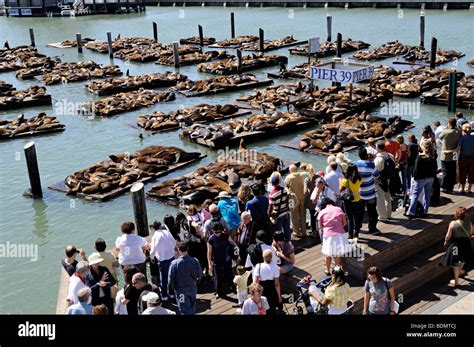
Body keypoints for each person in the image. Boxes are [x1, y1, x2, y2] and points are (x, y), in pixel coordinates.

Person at [440, 207, 473, 288]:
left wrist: (445, 241)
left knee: (455, 261)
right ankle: (460, 272)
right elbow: (471, 232)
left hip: (456, 245)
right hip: (466, 243)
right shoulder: (468, 223)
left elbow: (448, 235)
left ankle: (456, 281)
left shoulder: (453, 223)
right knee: (463, 259)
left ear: (457, 214)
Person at [168, 241, 203, 315]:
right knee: (192, 306)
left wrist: (173, 287)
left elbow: (170, 279)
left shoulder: (174, 263)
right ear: (187, 248)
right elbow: (200, 274)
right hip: (192, 287)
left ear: (178, 249)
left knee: (184, 309)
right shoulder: (195, 260)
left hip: (181, 289)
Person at [407, 141, 437, 220]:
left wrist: (414, 178)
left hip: (420, 179)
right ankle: (425, 211)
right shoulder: (433, 156)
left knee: (415, 195)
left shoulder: (420, 157)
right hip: (430, 178)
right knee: (427, 195)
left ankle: (411, 212)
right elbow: (435, 168)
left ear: (423, 147)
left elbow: (416, 170)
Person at [318, 198, 348, 276]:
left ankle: (327, 270)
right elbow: (344, 223)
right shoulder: (338, 209)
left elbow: (320, 227)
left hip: (328, 235)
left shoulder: (321, 212)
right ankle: (336, 271)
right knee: (337, 255)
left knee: (328, 255)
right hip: (339, 235)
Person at [149, 218, 176, 302]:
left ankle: (164, 295)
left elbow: (153, 249)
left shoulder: (156, 236)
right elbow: (174, 242)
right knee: (171, 276)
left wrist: (151, 257)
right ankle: (171, 294)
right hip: (171, 257)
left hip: (163, 260)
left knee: (163, 279)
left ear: (153, 228)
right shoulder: (166, 232)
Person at [355, 147, 379, 234]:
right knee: (372, 212)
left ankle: (357, 228)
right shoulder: (372, 165)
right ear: (366, 155)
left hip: (359, 193)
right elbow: (377, 176)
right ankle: (372, 229)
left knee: (359, 212)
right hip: (370, 193)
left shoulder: (355, 164)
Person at [207, 222, 233, 299]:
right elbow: (209, 252)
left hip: (226, 258)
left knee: (228, 273)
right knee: (217, 277)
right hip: (216, 260)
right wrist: (209, 264)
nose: (218, 233)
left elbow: (233, 243)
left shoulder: (226, 236)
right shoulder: (211, 239)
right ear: (212, 230)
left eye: (219, 231)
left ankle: (231, 286)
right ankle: (218, 291)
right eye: (215, 232)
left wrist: (236, 251)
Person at [252, 249, 282, 315]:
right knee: (272, 309)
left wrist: (254, 294)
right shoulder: (275, 267)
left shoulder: (258, 266)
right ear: (271, 257)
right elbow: (276, 284)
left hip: (262, 290)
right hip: (272, 289)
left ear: (263, 256)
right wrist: (279, 296)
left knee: (262, 309)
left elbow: (255, 283)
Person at [339, 163, 362, 240]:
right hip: (358, 200)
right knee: (357, 218)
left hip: (348, 201)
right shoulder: (359, 179)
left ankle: (350, 236)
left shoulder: (345, 181)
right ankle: (357, 234)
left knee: (350, 219)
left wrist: (340, 182)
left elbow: (341, 190)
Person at [374, 142, 395, 222]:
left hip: (381, 181)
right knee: (388, 197)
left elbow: (376, 171)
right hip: (390, 179)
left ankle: (382, 217)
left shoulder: (378, 159)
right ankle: (389, 214)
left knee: (380, 199)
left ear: (378, 148)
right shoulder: (390, 155)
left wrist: (374, 180)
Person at [439, 118, 461, 193]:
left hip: (445, 154)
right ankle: (450, 188)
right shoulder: (458, 131)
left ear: (449, 123)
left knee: (445, 171)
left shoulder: (446, 131)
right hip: (454, 154)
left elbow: (440, 137)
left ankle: (444, 187)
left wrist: (446, 128)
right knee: (452, 172)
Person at [285, 164, 307, 238]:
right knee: (303, 215)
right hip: (302, 197)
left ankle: (296, 232)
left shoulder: (288, 177)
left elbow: (286, 186)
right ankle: (304, 231)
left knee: (294, 216)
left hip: (292, 199)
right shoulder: (301, 175)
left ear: (290, 170)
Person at [268, 172, 291, 241]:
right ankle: (288, 242)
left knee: (278, 231)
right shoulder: (285, 190)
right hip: (286, 212)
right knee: (287, 229)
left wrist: (269, 215)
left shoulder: (272, 194)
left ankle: (280, 244)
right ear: (279, 182)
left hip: (278, 214)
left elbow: (271, 207)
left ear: (272, 183)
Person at [457, 123, 474, 194]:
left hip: (463, 158)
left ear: (463, 130)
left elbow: (458, 148)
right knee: (472, 173)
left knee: (463, 173)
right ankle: (469, 189)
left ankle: (462, 188)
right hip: (473, 158)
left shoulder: (462, 138)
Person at [304, 165, 318, 236]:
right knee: (317, 215)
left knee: (312, 215)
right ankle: (319, 229)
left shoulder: (307, 179)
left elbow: (305, 191)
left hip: (310, 201)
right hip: (318, 200)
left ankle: (314, 231)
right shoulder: (318, 177)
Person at [406, 134, 419, 205]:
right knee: (413, 176)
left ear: (410, 139)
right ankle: (413, 187)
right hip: (415, 162)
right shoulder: (416, 145)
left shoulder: (409, 145)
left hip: (410, 162)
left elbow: (409, 155)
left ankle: (409, 189)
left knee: (408, 177)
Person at [397, 134, 410, 199]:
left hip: (400, 163)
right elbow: (408, 155)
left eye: (398, 139)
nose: (397, 140)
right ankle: (406, 190)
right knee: (406, 177)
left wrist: (397, 162)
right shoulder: (406, 145)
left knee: (401, 177)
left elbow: (397, 155)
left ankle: (403, 191)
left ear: (401, 139)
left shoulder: (399, 146)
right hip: (406, 163)